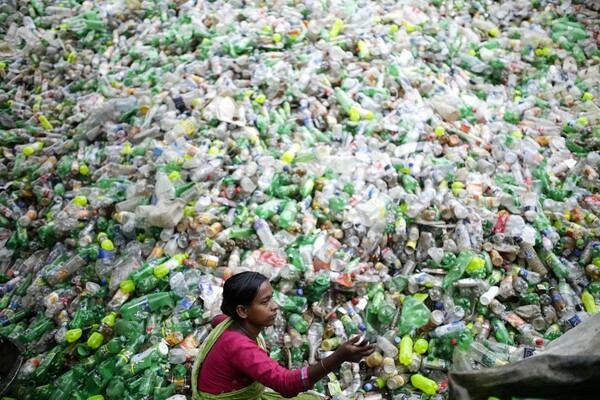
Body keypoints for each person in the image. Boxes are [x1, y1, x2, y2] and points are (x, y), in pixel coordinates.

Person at [192, 271, 377, 399]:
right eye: (265, 302)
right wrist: (338, 357)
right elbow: (286, 385)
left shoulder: (227, 322)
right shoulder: (240, 347)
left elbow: (217, 319)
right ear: (242, 311)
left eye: (272, 298)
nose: (275, 306)